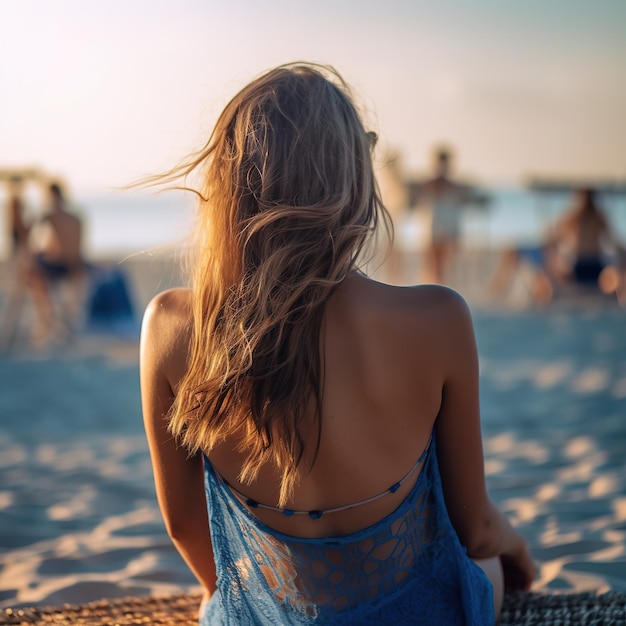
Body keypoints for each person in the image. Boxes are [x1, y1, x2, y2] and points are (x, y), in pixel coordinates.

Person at [140, 63, 535, 626]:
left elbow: (185, 528)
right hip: (424, 616)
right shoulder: (437, 318)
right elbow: (474, 528)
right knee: (488, 564)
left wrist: (232, 599)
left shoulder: (171, 325)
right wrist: (516, 548)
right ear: (353, 177)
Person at [25, 181, 85, 343]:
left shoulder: (50, 216)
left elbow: (30, 236)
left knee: (30, 272)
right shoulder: (76, 218)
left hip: (61, 266)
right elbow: (73, 246)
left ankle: (47, 318)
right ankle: (56, 319)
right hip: (77, 266)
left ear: (52, 197)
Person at [417, 147, 472, 285]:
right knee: (433, 261)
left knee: (444, 262)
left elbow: (459, 206)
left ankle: (441, 287)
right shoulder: (432, 184)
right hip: (435, 226)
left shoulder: (451, 185)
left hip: (445, 226)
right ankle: (435, 287)